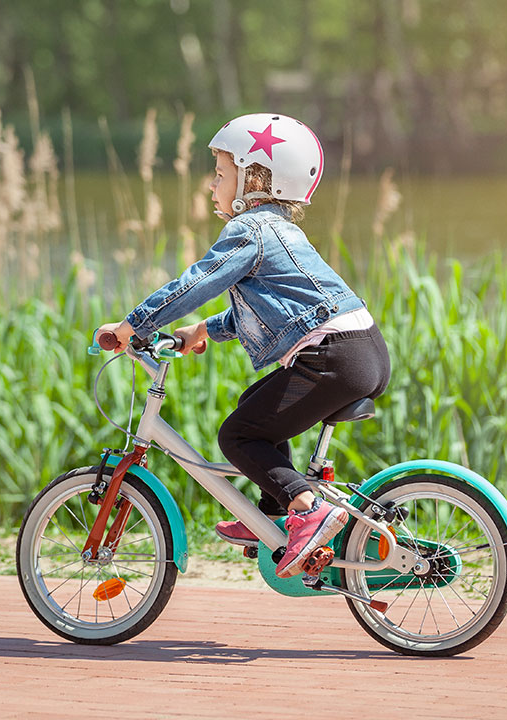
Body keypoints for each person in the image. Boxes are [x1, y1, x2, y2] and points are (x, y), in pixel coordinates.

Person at [95, 113, 391, 578]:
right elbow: (274, 308)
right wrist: (204, 332)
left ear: (256, 177)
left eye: (220, 174)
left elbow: (199, 281)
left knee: (239, 435)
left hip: (334, 356)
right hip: (358, 350)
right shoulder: (278, 229)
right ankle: (271, 516)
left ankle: (307, 509)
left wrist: (136, 325)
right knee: (254, 409)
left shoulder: (250, 230)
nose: (212, 185)